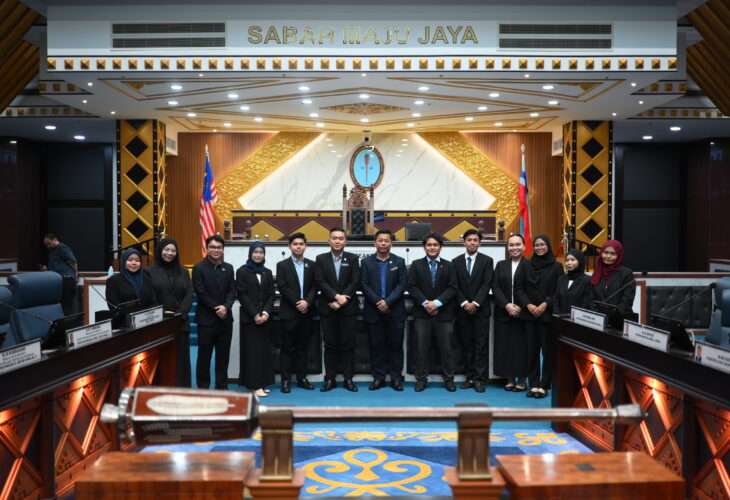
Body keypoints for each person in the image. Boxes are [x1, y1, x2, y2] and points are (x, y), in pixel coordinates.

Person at [408, 232, 458, 392]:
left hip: (444, 314)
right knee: (421, 349)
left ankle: (449, 379)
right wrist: (426, 304)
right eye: (429, 245)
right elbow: (412, 287)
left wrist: (436, 303)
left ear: (440, 247)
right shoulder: (416, 265)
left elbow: (452, 288)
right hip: (422, 314)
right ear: (424, 247)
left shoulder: (449, 265)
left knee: (447, 349)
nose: (432, 247)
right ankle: (421, 379)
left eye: (435, 245)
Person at [360, 229, 408, 391]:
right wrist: (378, 302)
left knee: (396, 347)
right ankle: (378, 378)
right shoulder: (366, 262)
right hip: (374, 312)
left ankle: (396, 378)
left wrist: (387, 302)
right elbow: (364, 285)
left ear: (391, 243)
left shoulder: (399, 261)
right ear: (375, 243)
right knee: (376, 346)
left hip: (395, 311)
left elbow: (402, 285)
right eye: (380, 240)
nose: (383, 243)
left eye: (386, 241)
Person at [314, 227, 361, 392]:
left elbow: (355, 282)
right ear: (329, 241)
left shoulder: (353, 258)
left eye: (341, 238)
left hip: (348, 309)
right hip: (328, 308)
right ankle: (330, 379)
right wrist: (336, 296)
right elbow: (320, 281)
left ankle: (348, 379)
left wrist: (341, 301)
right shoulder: (320, 259)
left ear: (346, 241)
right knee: (330, 346)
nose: (337, 241)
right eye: (334, 238)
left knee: (348, 345)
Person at [146, 238, 194, 387]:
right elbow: (148, 296)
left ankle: (182, 389)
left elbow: (189, 294)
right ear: (160, 251)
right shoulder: (149, 271)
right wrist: (162, 312)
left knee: (181, 359)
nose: (170, 253)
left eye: (173, 250)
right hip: (160, 323)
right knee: (162, 359)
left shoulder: (183, 271)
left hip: (180, 322)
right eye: (166, 249)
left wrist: (181, 313)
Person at [521, 235, 564, 399]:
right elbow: (519, 288)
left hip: (547, 315)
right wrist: (528, 304)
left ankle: (544, 385)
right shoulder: (526, 265)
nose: (539, 248)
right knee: (531, 352)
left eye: (542, 244)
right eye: (536, 245)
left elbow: (559, 291)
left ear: (548, 246)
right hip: (529, 314)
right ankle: (533, 384)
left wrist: (546, 303)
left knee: (547, 352)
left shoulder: (557, 266)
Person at [452, 229, 494, 393]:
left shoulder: (487, 261)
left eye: (475, 240)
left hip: (480, 310)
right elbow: (454, 285)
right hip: (462, 311)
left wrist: (475, 303)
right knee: (467, 346)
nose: (472, 243)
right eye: (469, 240)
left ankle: (479, 379)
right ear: (464, 242)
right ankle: (469, 378)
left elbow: (487, 284)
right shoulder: (455, 262)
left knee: (480, 346)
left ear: (479, 243)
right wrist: (464, 303)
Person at [192, 235, 236, 390]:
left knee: (223, 357)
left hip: (225, 320)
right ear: (206, 248)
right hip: (206, 320)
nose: (216, 250)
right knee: (204, 356)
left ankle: (221, 386)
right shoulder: (198, 268)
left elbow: (232, 291)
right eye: (212, 247)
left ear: (223, 249)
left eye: (219, 247)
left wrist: (226, 307)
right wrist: (218, 308)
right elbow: (201, 292)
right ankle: (203, 388)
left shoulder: (228, 268)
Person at [276, 232, 317, 393]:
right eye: (295, 244)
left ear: (305, 246)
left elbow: (315, 286)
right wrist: (298, 302)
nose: (298, 246)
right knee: (287, 349)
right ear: (289, 246)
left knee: (302, 348)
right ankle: (285, 381)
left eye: (301, 244)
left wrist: (307, 302)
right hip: (289, 312)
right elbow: (282, 287)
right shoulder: (282, 265)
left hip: (307, 312)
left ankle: (302, 378)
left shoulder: (312, 265)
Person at [236, 242, 275, 398]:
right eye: (255, 252)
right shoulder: (242, 271)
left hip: (265, 319)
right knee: (253, 353)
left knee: (264, 352)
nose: (258, 255)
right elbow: (242, 295)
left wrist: (265, 313)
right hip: (250, 319)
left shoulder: (267, 272)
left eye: (261, 252)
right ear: (250, 253)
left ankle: (263, 383)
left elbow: (271, 295)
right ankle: (255, 385)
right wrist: (255, 315)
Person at [492, 234, 530, 392]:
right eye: (511, 245)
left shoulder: (530, 265)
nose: (515, 248)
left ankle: (522, 380)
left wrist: (522, 305)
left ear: (524, 246)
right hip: (504, 312)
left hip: (524, 314)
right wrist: (507, 305)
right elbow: (495, 287)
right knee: (505, 346)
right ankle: (509, 379)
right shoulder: (501, 265)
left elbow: (533, 289)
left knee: (522, 348)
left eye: (518, 244)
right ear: (507, 248)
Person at [588, 239, 636, 315]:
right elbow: (590, 298)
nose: (608, 256)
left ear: (619, 255)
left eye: (613, 254)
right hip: (598, 318)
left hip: (619, 318)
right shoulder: (597, 272)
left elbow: (627, 300)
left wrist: (612, 315)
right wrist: (596, 315)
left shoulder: (626, 273)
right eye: (606, 252)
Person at [42, 233, 78, 315]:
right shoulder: (54, 251)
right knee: (62, 305)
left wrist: (75, 273)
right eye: (46, 245)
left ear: (55, 240)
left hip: (66, 279)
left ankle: (68, 321)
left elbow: (73, 260)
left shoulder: (62, 247)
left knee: (66, 305)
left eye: (49, 243)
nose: (48, 246)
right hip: (59, 280)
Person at [553, 249, 591, 315]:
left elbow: (586, 303)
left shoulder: (587, 280)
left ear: (580, 261)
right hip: (560, 318)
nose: (569, 263)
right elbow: (556, 300)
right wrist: (557, 315)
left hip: (578, 319)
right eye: (567, 260)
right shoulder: (561, 279)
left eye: (573, 260)